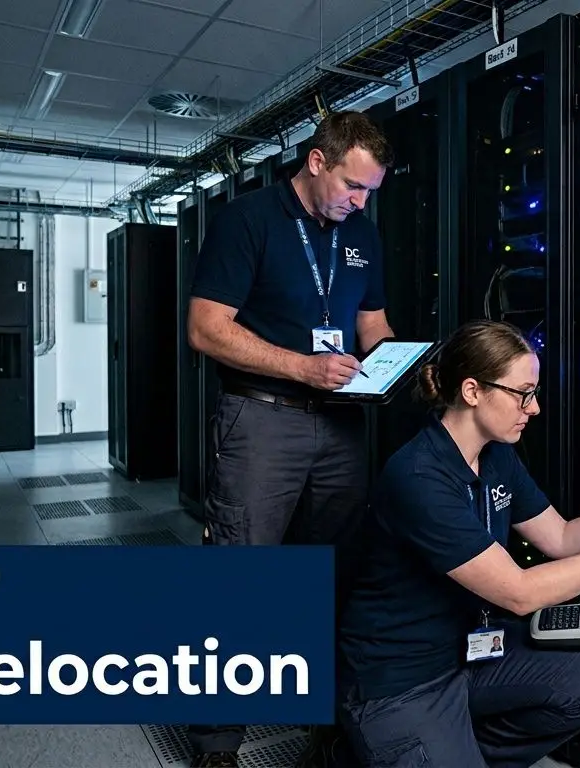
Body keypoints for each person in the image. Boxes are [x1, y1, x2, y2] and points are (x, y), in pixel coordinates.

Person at [336, 319, 580, 767]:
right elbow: (519, 592)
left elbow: (562, 538)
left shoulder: (496, 455)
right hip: (401, 683)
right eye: (523, 393)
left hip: (466, 656)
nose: (535, 407)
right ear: (472, 391)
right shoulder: (419, 476)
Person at [184, 110, 396, 768]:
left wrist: (397, 364)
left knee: (332, 579)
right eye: (353, 186)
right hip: (262, 420)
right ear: (316, 163)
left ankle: (324, 724)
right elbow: (206, 329)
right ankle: (218, 745)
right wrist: (301, 365)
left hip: (340, 427)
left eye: (370, 192)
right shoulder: (247, 220)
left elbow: (373, 324)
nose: (361, 202)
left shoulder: (362, 234)